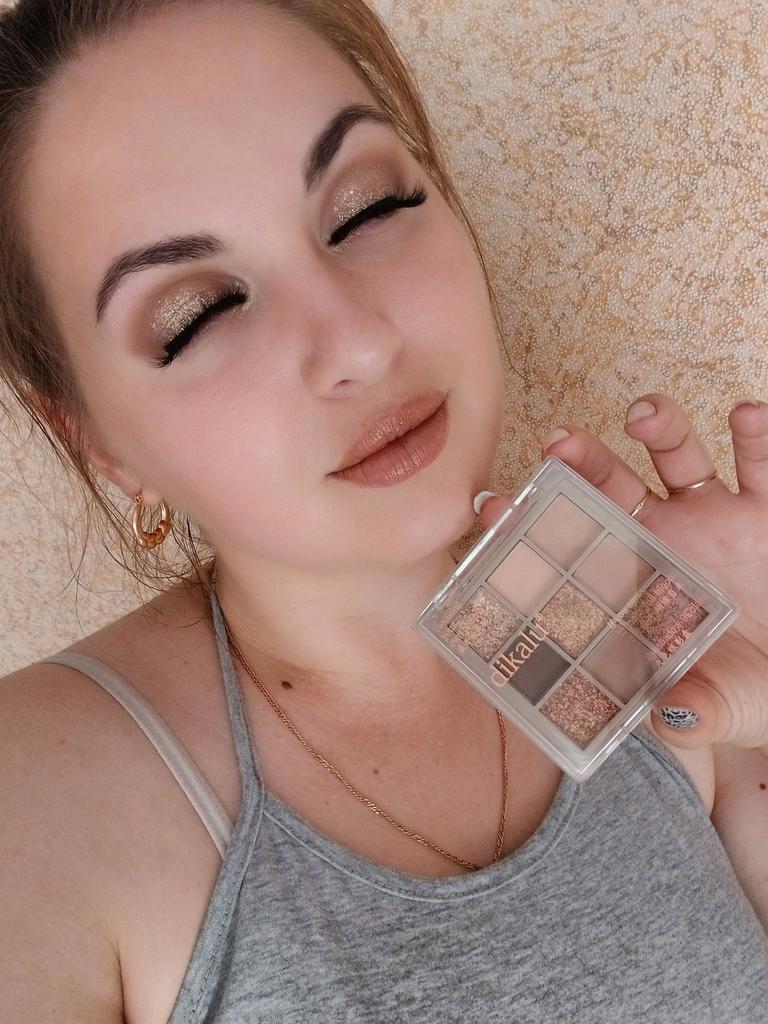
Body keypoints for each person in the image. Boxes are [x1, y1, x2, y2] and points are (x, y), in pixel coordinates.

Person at [0, 1, 766, 1021]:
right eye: (198, 314)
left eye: (365, 208)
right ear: (100, 441)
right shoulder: (39, 802)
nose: (359, 342)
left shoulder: (628, 616)